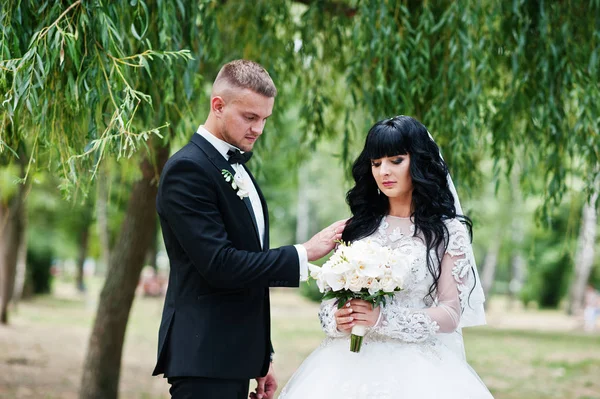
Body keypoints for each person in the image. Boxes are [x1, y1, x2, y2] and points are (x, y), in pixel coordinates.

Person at [152, 59, 346, 399]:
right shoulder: (188, 169)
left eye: (265, 119)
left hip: (234, 358)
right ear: (218, 105)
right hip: (204, 360)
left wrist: (260, 357)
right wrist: (304, 252)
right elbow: (221, 266)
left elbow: (249, 271)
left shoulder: (237, 165)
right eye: (250, 117)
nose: (258, 129)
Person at [279, 116, 493, 399]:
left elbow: (451, 313)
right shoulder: (358, 227)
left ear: (417, 162)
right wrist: (337, 317)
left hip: (418, 372)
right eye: (376, 163)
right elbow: (330, 302)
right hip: (345, 366)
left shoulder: (447, 232)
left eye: (396, 160)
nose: (384, 172)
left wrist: (382, 318)